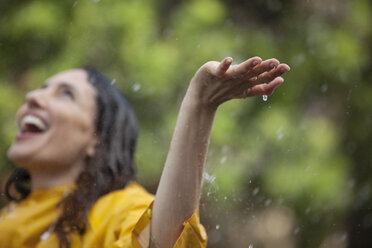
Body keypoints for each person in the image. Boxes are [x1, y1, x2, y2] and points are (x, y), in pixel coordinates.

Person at [0, 56, 290, 248]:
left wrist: (200, 106)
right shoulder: (9, 221)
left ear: (96, 138)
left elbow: (161, 242)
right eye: (41, 88)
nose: (33, 96)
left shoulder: (119, 209)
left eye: (65, 94)